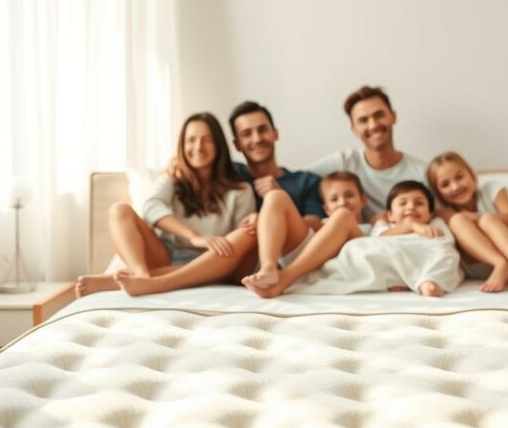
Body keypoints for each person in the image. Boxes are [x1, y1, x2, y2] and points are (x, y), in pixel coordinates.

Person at [75, 112, 257, 297]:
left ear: (219, 145)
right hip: (165, 255)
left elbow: (242, 249)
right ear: (182, 145)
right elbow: (150, 207)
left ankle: (132, 282)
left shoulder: (240, 191)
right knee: (119, 210)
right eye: (191, 140)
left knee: (250, 232)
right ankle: (141, 275)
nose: (198, 147)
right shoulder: (173, 177)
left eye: (207, 139)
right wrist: (195, 237)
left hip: (212, 262)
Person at [427, 151, 508, 293]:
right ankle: (506, 266)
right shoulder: (444, 212)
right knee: (459, 220)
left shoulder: (491, 189)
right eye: (445, 184)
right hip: (485, 262)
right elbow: (463, 253)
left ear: (471, 174)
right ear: (437, 192)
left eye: (460, 177)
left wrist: (479, 217)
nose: (455, 186)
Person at [307, 85, 428, 222]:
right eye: (363, 120)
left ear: (393, 116)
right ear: (354, 129)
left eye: (379, 115)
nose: (373, 125)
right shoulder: (343, 162)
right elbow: (298, 182)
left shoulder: (421, 172)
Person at [241, 171, 370, 298]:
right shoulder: (321, 224)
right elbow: (295, 222)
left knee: (343, 215)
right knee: (275, 196)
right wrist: (262, 217)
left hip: (336, 266)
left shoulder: (373, 227)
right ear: (326, 209)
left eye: (349, 195)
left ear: (363, 200)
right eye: (334, 199)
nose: (342, 202)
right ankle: (268, 268)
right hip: (305, 263)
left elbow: (381, 251)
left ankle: (284, 279)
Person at [229, 100, 324, 225]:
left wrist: (281, 198)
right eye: (247, 134)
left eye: (263, 130)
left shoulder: (307, 181)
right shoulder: (229, 175)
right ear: (237, 145)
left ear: (275, 133)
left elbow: (316, 226)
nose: (257, 139)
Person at [371, 180, 461, 297]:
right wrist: (411, 225)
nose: (411, 207)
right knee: (380, 252)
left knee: (447, 254)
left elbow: (446, 243)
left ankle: (429, 282)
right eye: (403, 203)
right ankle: (402, 280)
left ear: (430, 214)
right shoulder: (384, 225)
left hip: (425, 261)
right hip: (397, 262)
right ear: (390, 215)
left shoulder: (435, 223)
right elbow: (377, 240)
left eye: (419, 203)